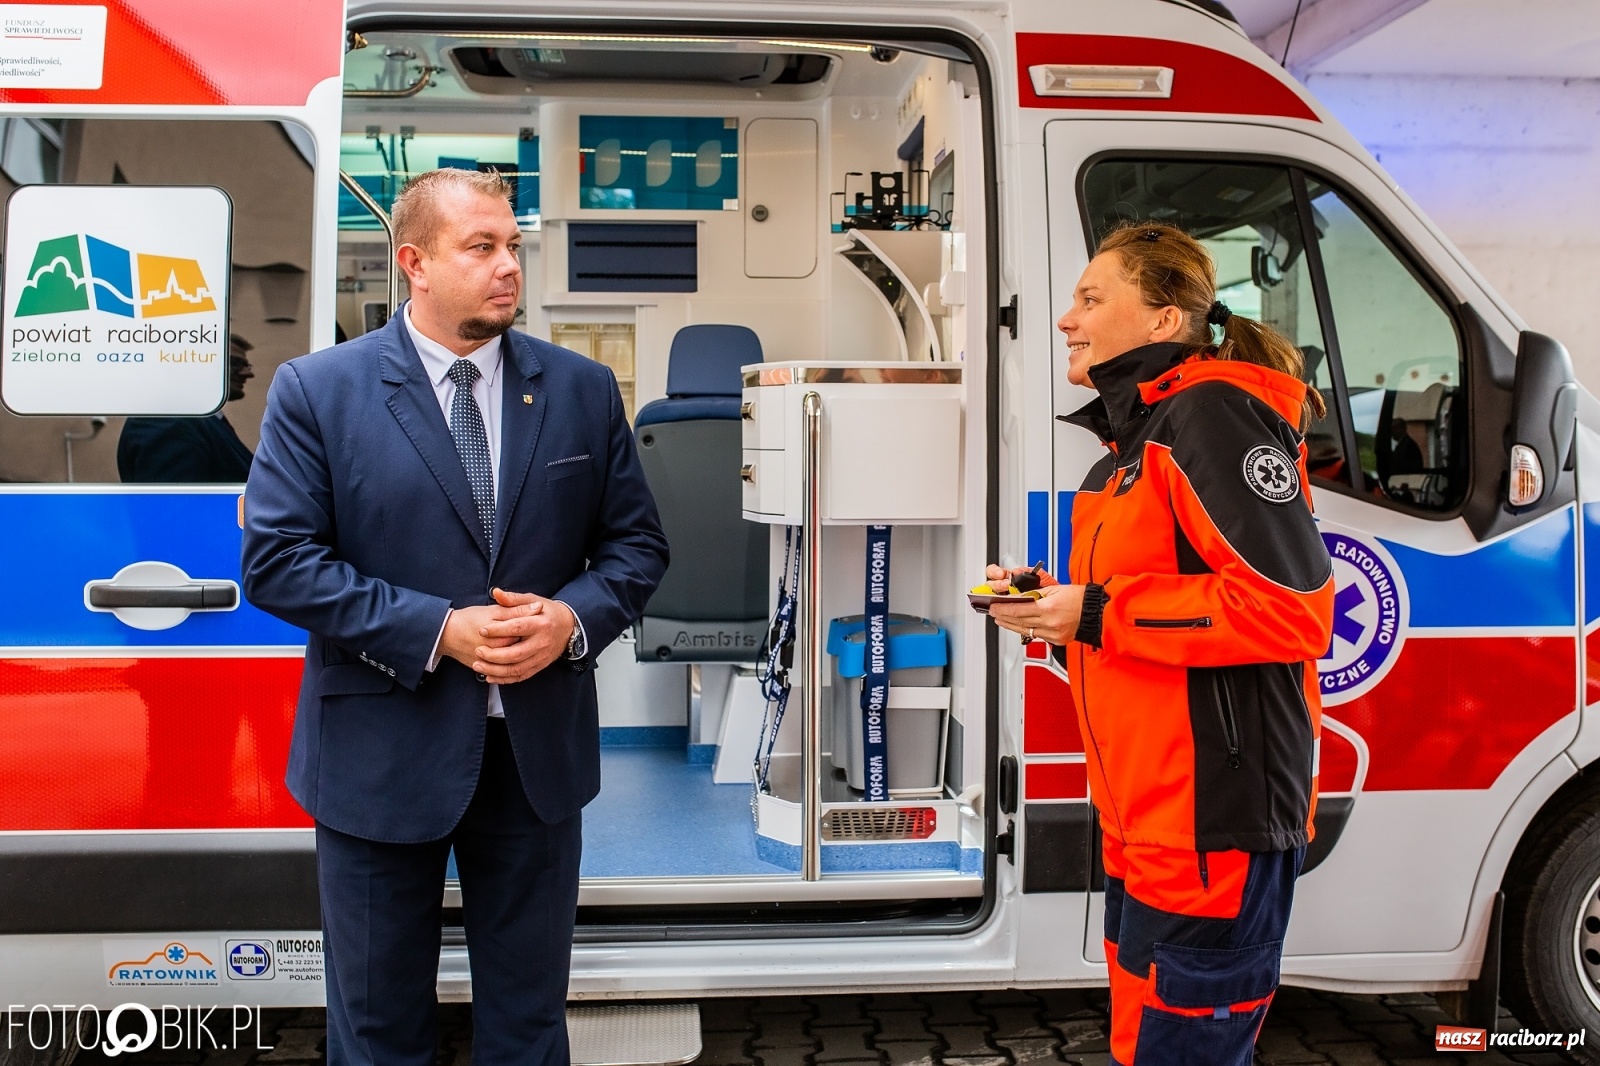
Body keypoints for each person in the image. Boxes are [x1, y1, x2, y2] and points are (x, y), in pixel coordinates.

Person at [240, 168, 668, 1066]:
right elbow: (279, 563)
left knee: (527, 1025)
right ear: (415, 264)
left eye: (514, 246)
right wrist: (438, 629)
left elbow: (636, 549)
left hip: (534, 760)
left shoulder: (582, 390)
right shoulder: (319, 392)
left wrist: (570, 621)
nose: (509, 266)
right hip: (379, 760)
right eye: (483, 247)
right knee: (380, 1031)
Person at [985, 222, 1333, 1065]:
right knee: (1147, 1047)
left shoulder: (1211, 416)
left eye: (1091, 298)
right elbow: (1140, 615)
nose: (1067, 319)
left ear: (1164, 320)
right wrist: (1055, 608)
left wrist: (1096, 612)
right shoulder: (1124, 454)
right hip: (1145, 820)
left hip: (1210, 823)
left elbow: (1291, 610)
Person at [117, 333, 256, 482]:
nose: (248, 373)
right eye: (234, 363)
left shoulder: (197, 420)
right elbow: (172, 504)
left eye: (246, 365)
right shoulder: (169, 418)